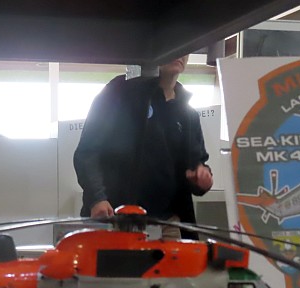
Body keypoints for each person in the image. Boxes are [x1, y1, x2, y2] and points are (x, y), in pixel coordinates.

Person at [74, 55, 213, 239]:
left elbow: (196, 164)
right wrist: (97, 198)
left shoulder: (188, 114)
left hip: (168, 223)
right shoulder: (119, 93)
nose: (179, 54)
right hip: (116, 217)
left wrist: (202, 178)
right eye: (172, 46)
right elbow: (87, 152)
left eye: (185, 51)